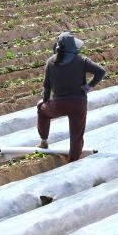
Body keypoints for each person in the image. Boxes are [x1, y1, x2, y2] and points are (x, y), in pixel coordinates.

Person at [36, 31, 107, 162]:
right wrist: (88, 87)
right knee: (76, 136)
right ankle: (73, 161)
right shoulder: (81, 60)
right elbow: (101, 72)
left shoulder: (50, 62)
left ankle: (44, 141)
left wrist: (45, 103)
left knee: (41, 109)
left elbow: (47, 87)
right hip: (78, 104)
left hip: (58, 105)